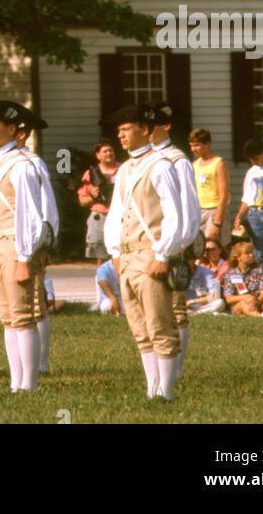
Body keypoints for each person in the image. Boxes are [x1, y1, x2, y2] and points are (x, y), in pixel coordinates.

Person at [104, 103, 183, 401]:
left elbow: (173, 214)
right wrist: (114, 250)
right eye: (119, 131)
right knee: (139, 327)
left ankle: (166, 392)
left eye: (126, 129)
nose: (120, 135)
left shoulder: (160, 164)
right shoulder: (124, 169)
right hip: (127, 256)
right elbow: (115, 214)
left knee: (160, 324)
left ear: (145, 130)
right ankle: (153, 389)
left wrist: (163, 255)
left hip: (151, 253)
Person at [0, 100, 50, 392]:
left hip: (14, 246)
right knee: (7, 317)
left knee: (23, 317)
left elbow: (30, 214)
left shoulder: (23, 166)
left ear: (11, 129)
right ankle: (15, 381)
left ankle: (29, 383)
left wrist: (24, 256)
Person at [149, 102, 202, 380]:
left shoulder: (176, 159)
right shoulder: (143, 159)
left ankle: (176, 369)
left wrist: (182, 242)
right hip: (148, 242)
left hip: (173, 241)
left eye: (153, 124)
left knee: (176, 308)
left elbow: (187, 204)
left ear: (166, 126)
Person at [15, 111, 60, 374]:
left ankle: (40, 364)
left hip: (32, 240)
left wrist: (41, 242)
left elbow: (44, 205)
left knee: (34, 302)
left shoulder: (32, 163)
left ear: (20, 134)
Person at [75, 139, 119, 261]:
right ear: (98, 155)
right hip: (99, 217)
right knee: (101, 258)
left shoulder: (124, 169)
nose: (109, 153)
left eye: (111, 150)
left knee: (120, 255)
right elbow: (82, 201)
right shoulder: (91, 174)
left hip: (119, 217)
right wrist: (93, 197)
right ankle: (101, 279)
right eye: (105, 151)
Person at [232, 139, 263, 267]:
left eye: (255, 158)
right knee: (260, 253)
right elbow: (247, 198)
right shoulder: (252, 172)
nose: (253, 162)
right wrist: (239, 216)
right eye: (250, 159)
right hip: (255, 213)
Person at [188, 128, 231, 248]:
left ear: (207, 143)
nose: (193, 149)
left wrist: (217, 223)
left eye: (197, 145)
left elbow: (224, 195)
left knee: (216, 248)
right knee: (200, 249)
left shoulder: (218, 163)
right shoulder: (195, 164)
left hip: (215, 211)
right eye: (191, 146)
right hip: (199, 211)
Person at [222, 240, 263, 316]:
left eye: (252, 253)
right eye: (247, 253)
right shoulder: (231, 274)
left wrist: (256, 302)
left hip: (256, 302)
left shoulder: (260, 271)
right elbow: (229, 299)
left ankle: (252, 313)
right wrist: (246, 297)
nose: (251, 255)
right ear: (238, 257)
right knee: (243, 304)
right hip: (239, 304)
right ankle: (258, 316)